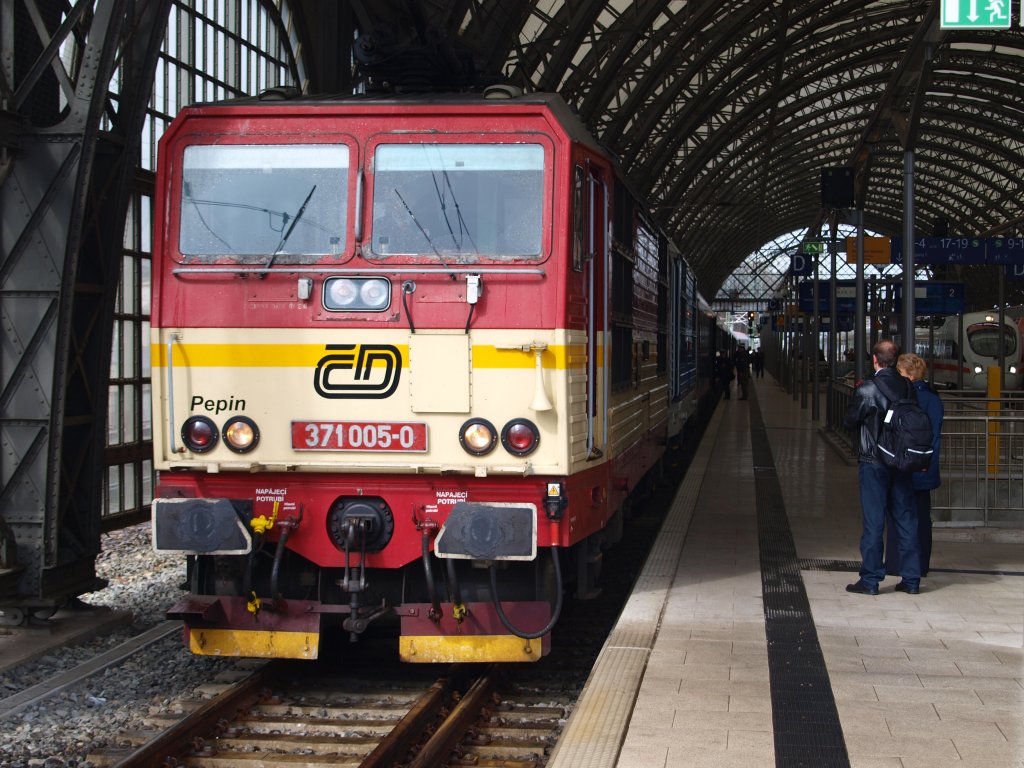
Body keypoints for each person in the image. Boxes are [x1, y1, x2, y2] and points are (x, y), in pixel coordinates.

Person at [842, 339, 922, 595]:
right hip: (902, 462)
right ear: (895, 359)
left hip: (874, 462)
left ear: (875, 360)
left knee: (874, 522)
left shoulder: (868, 388)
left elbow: (850, 421)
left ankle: (871, 579)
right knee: (906, 519)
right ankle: (911, 579)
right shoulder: (909, 387)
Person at [884, 353, 942, 577]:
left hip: (903, 465)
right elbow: (935, 436)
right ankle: (919, 565)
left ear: (906, 374)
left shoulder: (902, 398)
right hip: (924, 465)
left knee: (899, 513)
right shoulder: (933, 399)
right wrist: (927, 462)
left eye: (899, 373)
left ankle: (897, 563)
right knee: (921, 517)